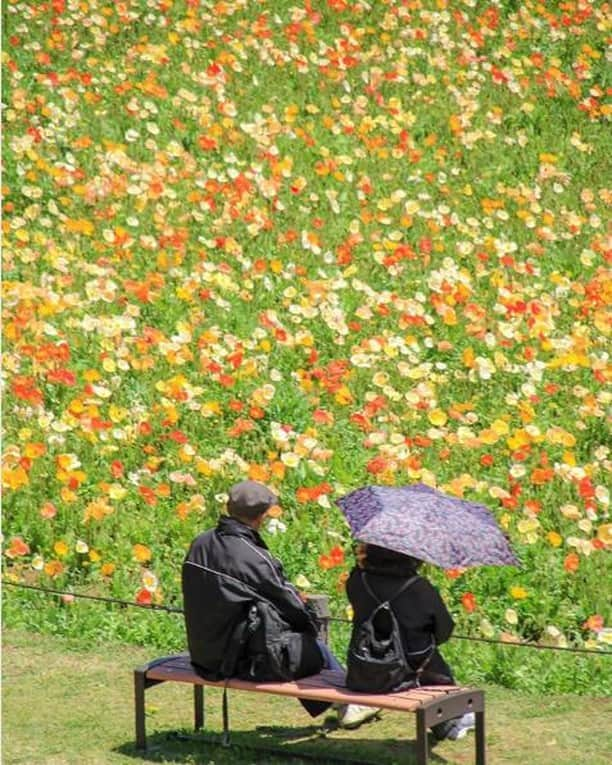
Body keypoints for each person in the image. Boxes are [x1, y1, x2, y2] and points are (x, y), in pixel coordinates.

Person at [182, 479, 378, 729]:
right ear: (261, 517)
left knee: (299, 647)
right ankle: (347, 703)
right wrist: (310, 624)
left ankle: (342, 705)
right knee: (314, 650)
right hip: (238, 662)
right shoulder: (254, 557)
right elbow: (292, 606)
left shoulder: (200, 543)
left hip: (204, 655)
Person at [346, 543, 476, 742]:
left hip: (363, 668)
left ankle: (451, 720)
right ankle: (450, 722)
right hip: (408, 674)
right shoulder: (419, 588)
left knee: (423, 658)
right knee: (428, 660)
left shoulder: (357, 580)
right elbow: (444, 631)